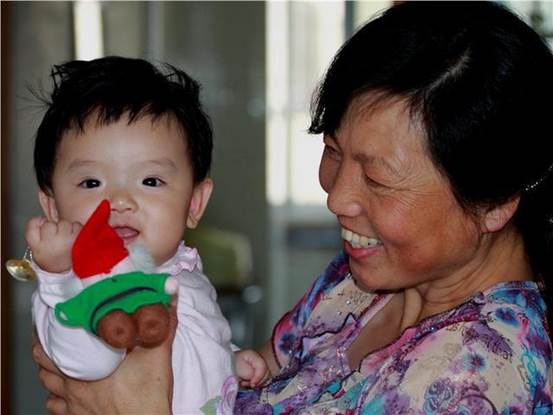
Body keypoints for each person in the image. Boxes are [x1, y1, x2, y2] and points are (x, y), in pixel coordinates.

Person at [33, 2, 553, 414]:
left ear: (494, 202)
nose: (337, 198)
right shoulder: (361, 282)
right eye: (334, 151)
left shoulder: (477, 378)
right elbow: (234, 381)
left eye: (378, 178)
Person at [27, 56, 268, 415]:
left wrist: (228, 361)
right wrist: (59, 275)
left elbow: (190, 351)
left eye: (150, 181)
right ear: (52, 206)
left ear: (194, 203)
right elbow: (88, 365)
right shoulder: (74, 287)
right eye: (91, 182)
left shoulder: (184, 271)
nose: (120, 200)